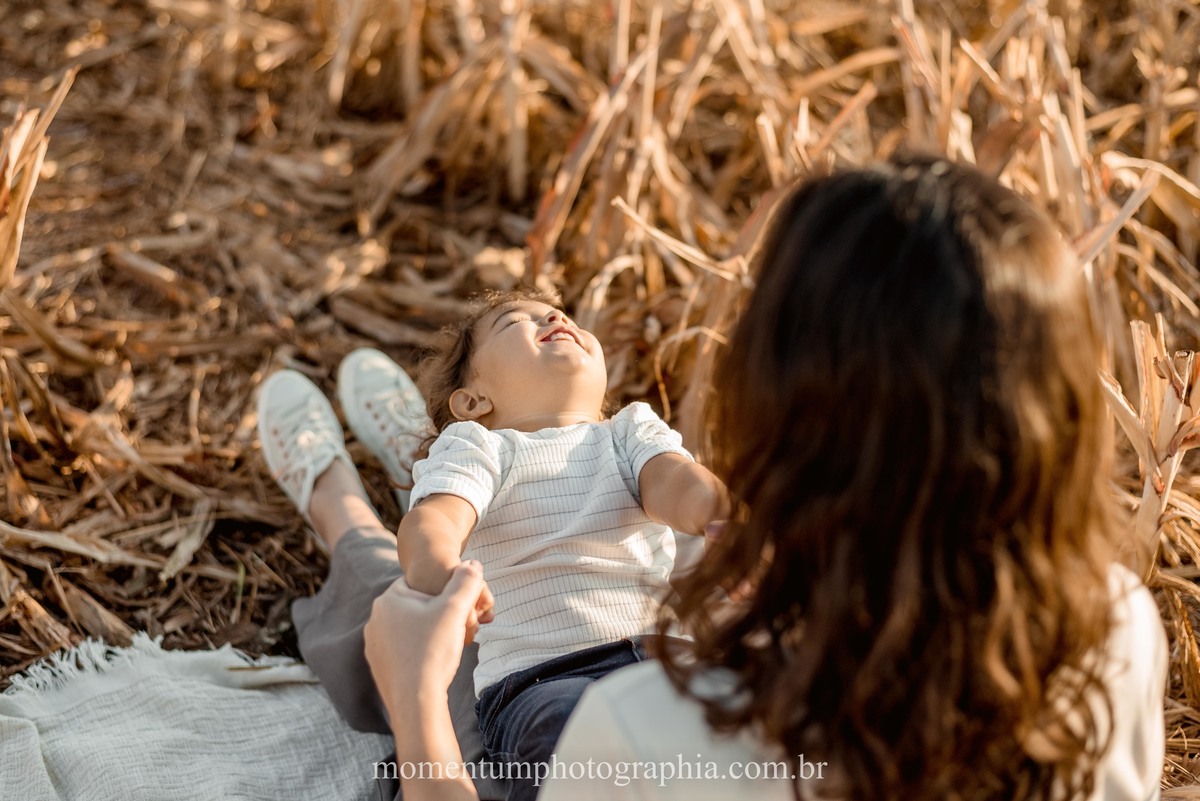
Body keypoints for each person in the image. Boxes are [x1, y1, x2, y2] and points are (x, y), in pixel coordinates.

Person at [360, 156, 1169, 801]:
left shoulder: (645, 737)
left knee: (378, 611)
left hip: (592, 673)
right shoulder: (1118, 629)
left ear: (786, 418)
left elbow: (674, 485)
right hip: (567, 655)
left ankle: (339, 495)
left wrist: (417, 709)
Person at [256, 289, 728, 801]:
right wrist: (439, 567)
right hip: (549, 679)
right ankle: (430, 467)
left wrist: (714, 512)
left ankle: (387, 477)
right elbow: (436, 522)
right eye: (513, 322)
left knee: (579, 748)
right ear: (474, 403)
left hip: (653, 663)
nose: (554, 315)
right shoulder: (484, 443)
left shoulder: (628, 431)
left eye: (557, 312)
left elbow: (673, 482)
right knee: (591, 732)